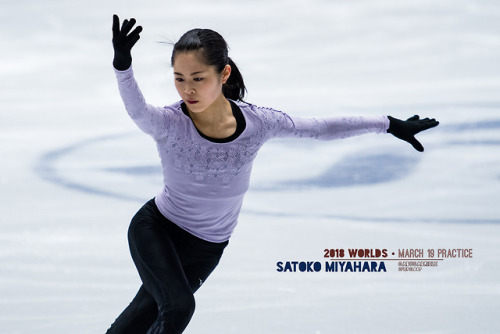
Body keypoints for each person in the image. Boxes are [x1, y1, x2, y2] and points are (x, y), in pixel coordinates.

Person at [106, 14, 439, 334]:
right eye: (179, 79)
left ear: (223, 75)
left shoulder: (258, 123)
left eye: (198, 79)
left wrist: (390, 124)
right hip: (158, 230)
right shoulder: (170, 123)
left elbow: (321, 128)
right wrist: (123, 65)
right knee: (179, 308)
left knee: (142, 317)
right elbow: (137, 109)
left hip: (209, 247)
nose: (187, 90)